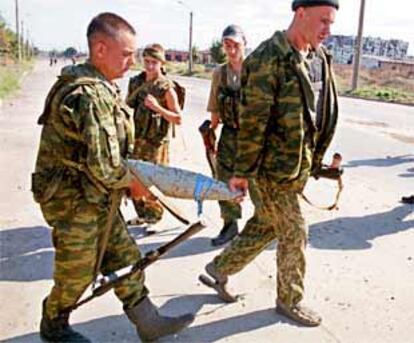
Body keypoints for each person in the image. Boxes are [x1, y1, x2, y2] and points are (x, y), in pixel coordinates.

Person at [31, 13, 193, 342]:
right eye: (126, 54)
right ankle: (54, 325)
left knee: (126, 257)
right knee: (76, 274)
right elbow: (106, 167)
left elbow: (113, 155)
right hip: (74, 202)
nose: (132, 62)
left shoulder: (102, 87)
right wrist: (136, 184)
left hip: (97, 197)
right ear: (100, 49)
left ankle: (149, 323)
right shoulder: (88, 95)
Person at [200, 0, 340, 327]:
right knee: (294, 230)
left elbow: (315, 114)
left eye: (331, 24)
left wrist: (319, 161)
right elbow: (253, 124)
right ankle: (288, 300)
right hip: (269, 170)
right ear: (300, 13)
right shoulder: (267, 59)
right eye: (322, 21)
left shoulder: (318, 58)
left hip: (297, 165)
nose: (327, 31)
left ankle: (218, 270)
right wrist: (241, 174)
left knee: (267, 225)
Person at [126, 43, 182, 227]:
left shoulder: (166, 87)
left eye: (154, 62)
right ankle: (142, 214)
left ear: (161, 63)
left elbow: (177, 118)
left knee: (154, 182)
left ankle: (154, 218)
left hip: (156, 143)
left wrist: (157, 107)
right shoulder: (136, 83)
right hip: (137, 139)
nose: (150, 66)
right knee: (134, 180)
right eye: (147, 61)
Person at [206, 25, 246, 246]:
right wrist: (211, 132)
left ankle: (265, 226)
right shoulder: (219, 73)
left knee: (259, 183)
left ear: (244, 44)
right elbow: (215, 106)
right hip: (229, 134)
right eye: (227, 46)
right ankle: (230, 224)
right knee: (224, 181)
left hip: (254, 137)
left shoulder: (256, 70)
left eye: (235, 45)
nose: (231, 51)